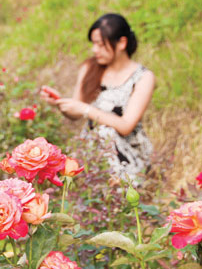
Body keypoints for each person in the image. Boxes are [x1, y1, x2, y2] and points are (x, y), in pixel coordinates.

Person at [41, 13, 155, 181]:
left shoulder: (143, 77)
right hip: (93, 147)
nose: (95, 50)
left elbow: (126, 126)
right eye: (94, 44)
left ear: (122, 43)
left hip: (127, 151)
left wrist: (85, 109)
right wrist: (61, 103)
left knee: (105, 132)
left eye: (101, 45)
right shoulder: (90, 68)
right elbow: (75, 114)